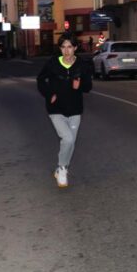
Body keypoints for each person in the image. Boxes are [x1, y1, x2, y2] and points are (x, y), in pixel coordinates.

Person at [37, 34, 93, 188]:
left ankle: (61, 167)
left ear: (75, 48)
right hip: (56, 108)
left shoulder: (81, 65)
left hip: (75, 109)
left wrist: (79, 85)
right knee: (67, 139)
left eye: (69, 47)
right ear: (60, 48)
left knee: (71, 142)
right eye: (63, 47)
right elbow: (40, 80)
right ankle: (62, 169)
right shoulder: (53, 63)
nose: (66, 51)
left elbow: (88, 87)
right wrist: (49, 94)